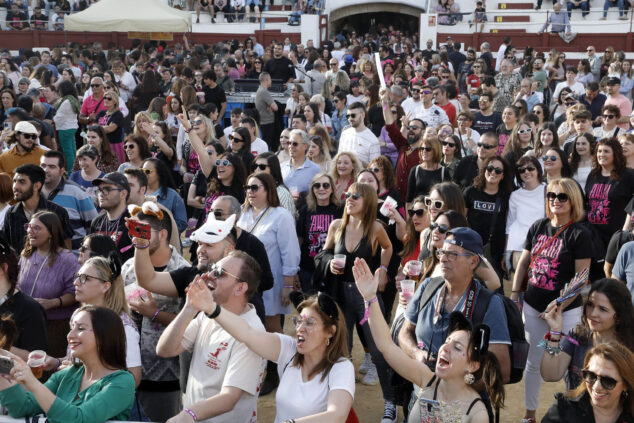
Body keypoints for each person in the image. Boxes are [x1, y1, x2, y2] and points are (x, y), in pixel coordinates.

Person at [355, 255, 505, 422]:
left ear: (472, 365)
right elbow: (387, 346)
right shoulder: (426, 379)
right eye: (447, 341)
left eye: (457, 347)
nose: (445, 348)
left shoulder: (476, 413)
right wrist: (370, 299)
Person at [510, 178, 593, 423]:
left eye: (562, 197)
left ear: (572, 201)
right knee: (534, 363)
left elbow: (581, 278)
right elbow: (524, 263)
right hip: (534, 308)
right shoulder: (538, 226)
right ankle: (529, 416)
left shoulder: (580, 233)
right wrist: (515, 295)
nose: (555, 201)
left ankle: (572, 415)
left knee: (570, 366)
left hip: (567, 313)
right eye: (551, 196)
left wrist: (559, 305)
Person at [156, 250, 266, 423]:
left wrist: (189, 414)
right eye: (213, 268)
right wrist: (190, 308)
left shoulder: (253, 333)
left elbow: (229, 398)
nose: (209, 274)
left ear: (240, 288)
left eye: (220, 273)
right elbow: (165, 349)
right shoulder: (209, 313)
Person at [0, 305, 135, 422]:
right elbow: (23, 408)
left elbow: (78, 419)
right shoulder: (67, 374)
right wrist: (2, 369)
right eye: (72, 328)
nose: (70, 335)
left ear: (104, 335)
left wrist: (33, 383)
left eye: (80, 328)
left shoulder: (122, 382)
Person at [120, 202, 189, 422]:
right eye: (133, 230)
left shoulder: (183, 271)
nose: (136, 238)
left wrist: (154, 313)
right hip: (128, 372)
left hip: (166, 377)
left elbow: (191, 324)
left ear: (163, 235)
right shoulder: (129, 267)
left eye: (143, 232)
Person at [237, 172, 300, 394]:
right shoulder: (242, 214)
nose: (250, 192)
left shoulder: (281, 216)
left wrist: (288, 285)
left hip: (271, 283)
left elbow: (290, 251)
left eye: (255, 188)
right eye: (247, 188)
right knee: (249, 325)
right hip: (244, 284)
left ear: (268, 190)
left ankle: (275, 374)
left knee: (272, 328)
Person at [540, 279, 634, 391]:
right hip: (575, 407)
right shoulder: (577, 337)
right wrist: (555, 332)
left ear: (619, 316)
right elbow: (550, 375)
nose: (593, 314)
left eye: (603, 309)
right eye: (590, 305)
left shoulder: (629, 348)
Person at [17, 211, 78, 358]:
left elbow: (76, 292)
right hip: (25, 322)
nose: (30, 231)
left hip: (54, 326)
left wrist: (52, 303)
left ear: (51, 232)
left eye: (37, 228)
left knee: (46, 369)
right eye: (29, 227)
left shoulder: (66, 259)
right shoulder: (26, 254)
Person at [541, 343, 634, 422]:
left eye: (608, 381)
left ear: (626, 384)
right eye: (591, 375)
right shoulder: (563, 409)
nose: (597, 387)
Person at [2, 164, 73, 254]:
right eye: (14, 181)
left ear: (36, 186)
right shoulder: (11, 213)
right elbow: (8, 247)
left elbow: (67, 250)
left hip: (50, 266)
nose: (15, 186)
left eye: (22, 182)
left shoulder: (57, 212)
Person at [464, 156, 513, 281]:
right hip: (470, 249)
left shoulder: (506, 197)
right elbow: (461, 220)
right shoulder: (470, 192)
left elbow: (508, 226)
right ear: (484, 170)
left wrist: (505, 253)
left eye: (498, 170)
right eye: (490, 168)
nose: (493, 172)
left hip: (494, 252)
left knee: (493, 288)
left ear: (502, 176)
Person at [40, 151, 97, 252]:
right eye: (43, 165)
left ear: (62, 171)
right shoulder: (33, 192)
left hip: (74, 259)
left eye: (51, 167)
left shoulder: (77, 193)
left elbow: (94, 227)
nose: (45, 170)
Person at [585, 137, 634, 247]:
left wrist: (627, 230)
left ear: (615, 154)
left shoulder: (628, 175)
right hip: (592, 236)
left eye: (606, 151)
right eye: (599, 151)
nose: (601, 154)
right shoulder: (593, 175)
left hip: (616, 237)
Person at [379, 87, 426, 199]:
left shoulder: (426, 152)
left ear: (423, 132)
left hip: (415, 202)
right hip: (397, 199)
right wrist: (384, 101)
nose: (410, 129)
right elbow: (390, 124)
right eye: (409, 127)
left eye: (415, 127)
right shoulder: (403, 145)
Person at [505, 156, 546, 283]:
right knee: (519, 288)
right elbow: (510, 223)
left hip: (542, 247)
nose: (526, 172)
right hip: (518, 248)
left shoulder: (548, 190)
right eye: (522, 170)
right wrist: (506, 252)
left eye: (530, 168)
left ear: (538, 169)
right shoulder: (515, 195)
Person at [89, 172, 134, 262]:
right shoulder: (96, 221)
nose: (101, 194)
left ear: (123, 194)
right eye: (99, 190)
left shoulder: (133, 221)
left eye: (107, 189)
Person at [141, 158, 187, 235]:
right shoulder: (138, 193)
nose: (144, 174)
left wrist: (160, 233)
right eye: (142, 171)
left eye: (147, 171)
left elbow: (181, 224)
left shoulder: (173, 196)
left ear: (159, 174)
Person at [407, 137, 450, 203]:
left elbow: (447, 198)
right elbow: (409, 199)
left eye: (428, 149)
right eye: (422, 148)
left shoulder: (444, 172)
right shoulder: (415, 170)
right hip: (419, 211)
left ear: (436, 150)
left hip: (436, 210)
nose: (424, 151)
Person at [338, 102, 380, 167]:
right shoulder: (344, 133)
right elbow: (339, 157)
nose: (350, 119)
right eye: (348, 116)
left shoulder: (372, 140)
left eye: (353, 115)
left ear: (362, 115)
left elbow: (375, 168)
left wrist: (360, 163)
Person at [280, 129, 322, 195]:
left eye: (295, 144)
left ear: (305, 146)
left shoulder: (316, 170)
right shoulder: (281, 167)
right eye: (289, 143)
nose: (291, 146)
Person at [52, 80, 80, 172]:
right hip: (71, 127)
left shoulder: (66, 102)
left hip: (64, 129)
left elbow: (58, 118)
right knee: (72, 151)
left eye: (59, 90)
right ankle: (75, 169)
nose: (58, 92)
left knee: (68, 153)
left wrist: (52, 119)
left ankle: (71, 172)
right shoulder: (73, 99)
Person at [255, 72, 279, 149]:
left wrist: (270, 106)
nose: (271, 81)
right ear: (267, 79)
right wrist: (271, 106)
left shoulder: (260, 90)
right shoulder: (264, 91)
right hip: (267, 123)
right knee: (267, 145)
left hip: (264, 122)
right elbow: (275, 107)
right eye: (270, 79)